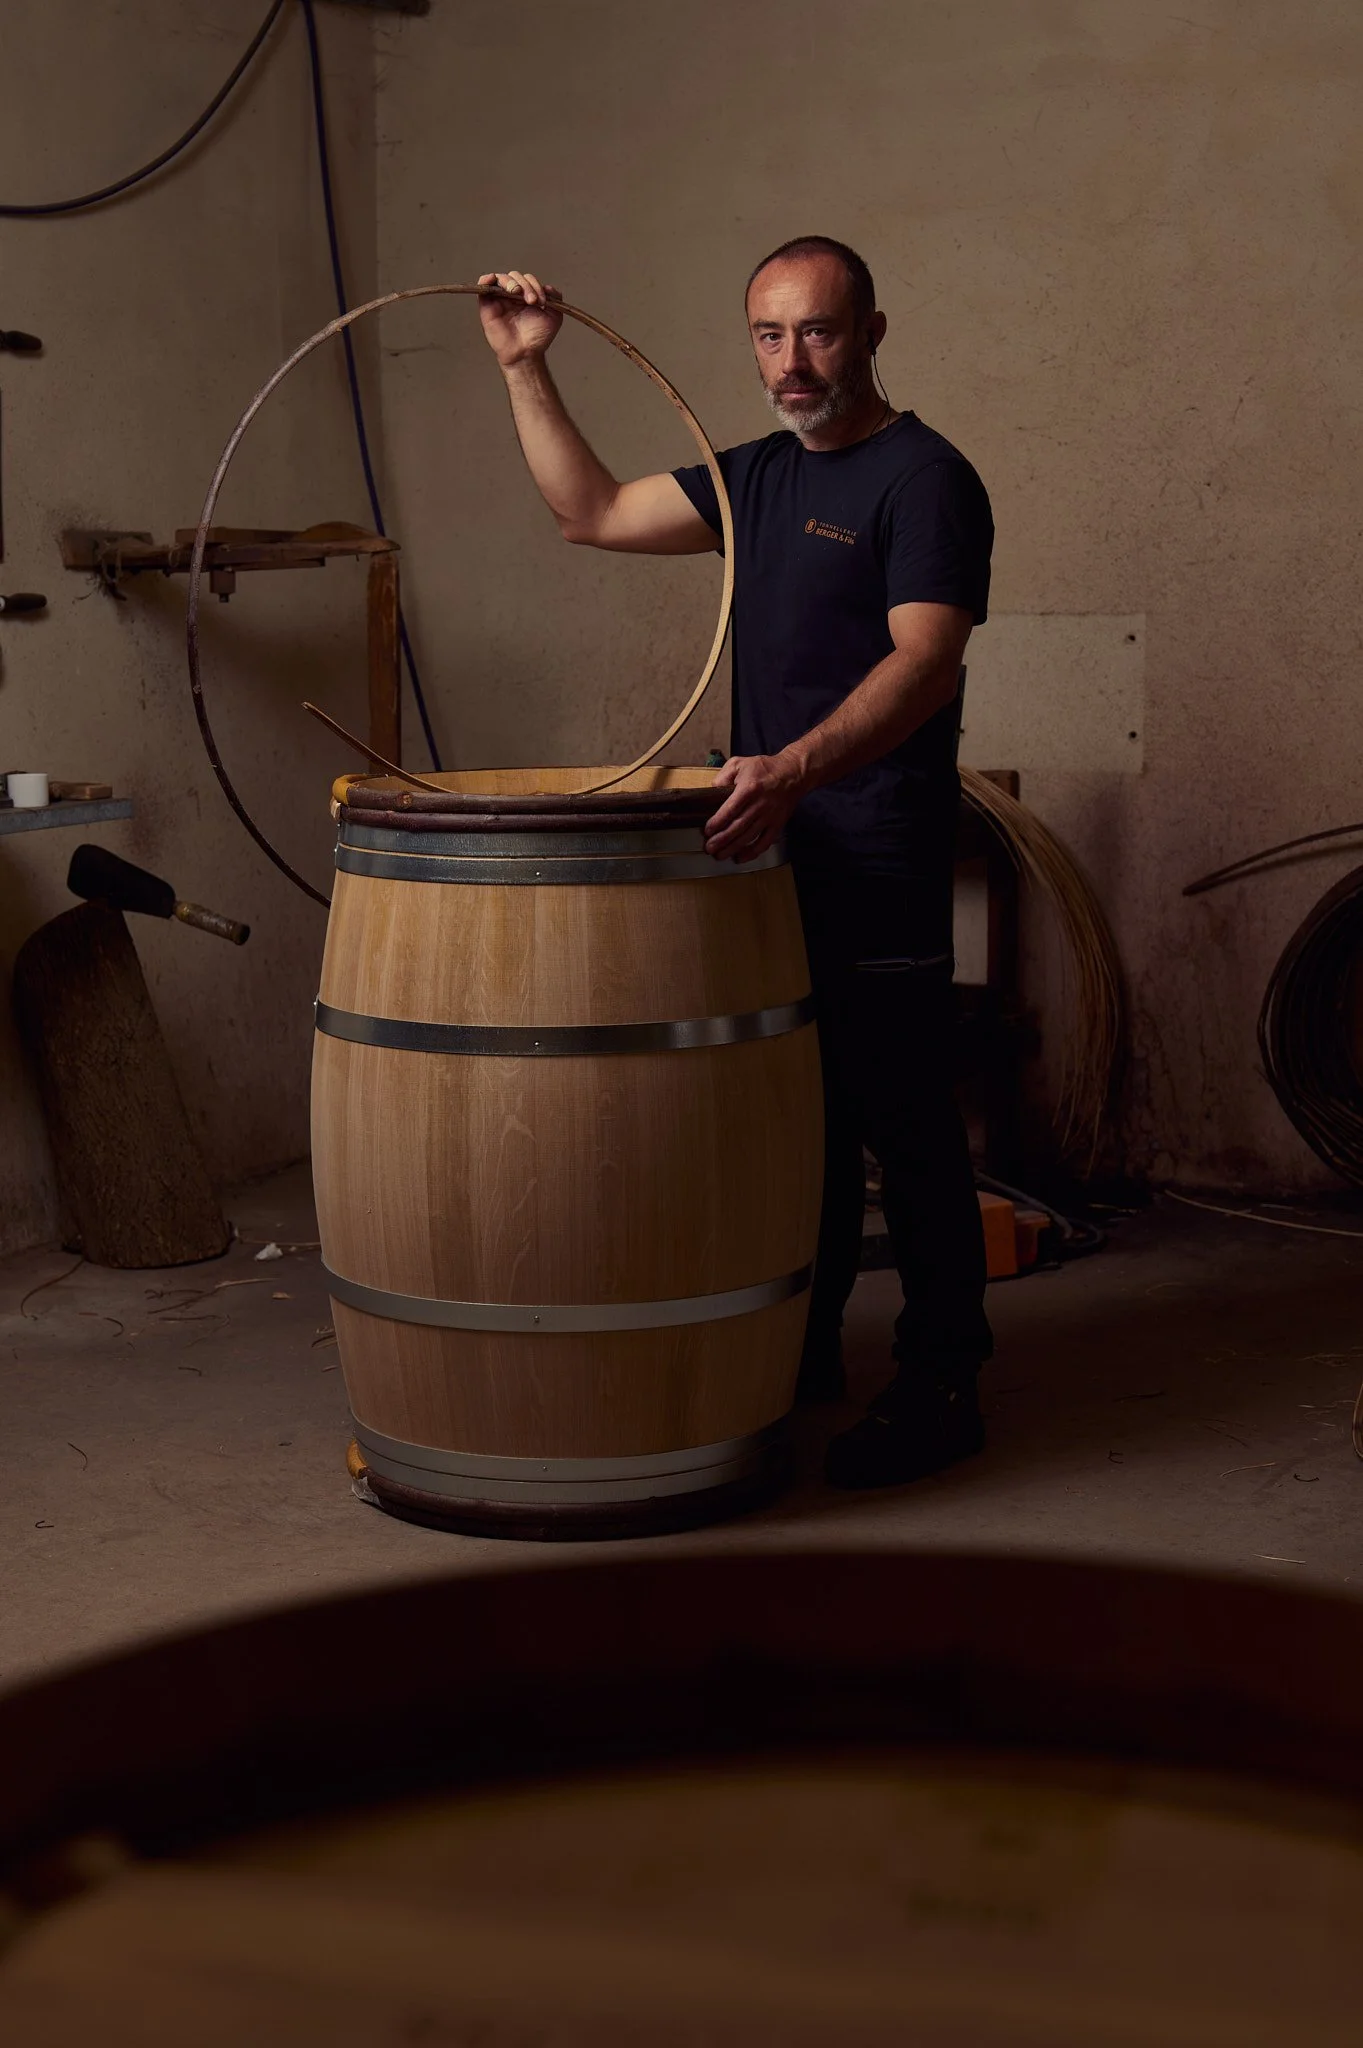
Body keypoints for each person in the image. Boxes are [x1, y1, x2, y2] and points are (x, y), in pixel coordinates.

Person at [477, 236, 994, 1488]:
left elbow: (924, 662)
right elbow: (586, 514)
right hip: (764, 849)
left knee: (904, 1118)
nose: (790, 360)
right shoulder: (750, 476)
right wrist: (523, 370)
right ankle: (800, 1345)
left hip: (870, 845)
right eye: (768, 334)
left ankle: (941, 1378)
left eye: (816, 331)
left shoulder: (924, 480)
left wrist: (799, 767)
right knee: (788, 1111)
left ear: (872, 331)